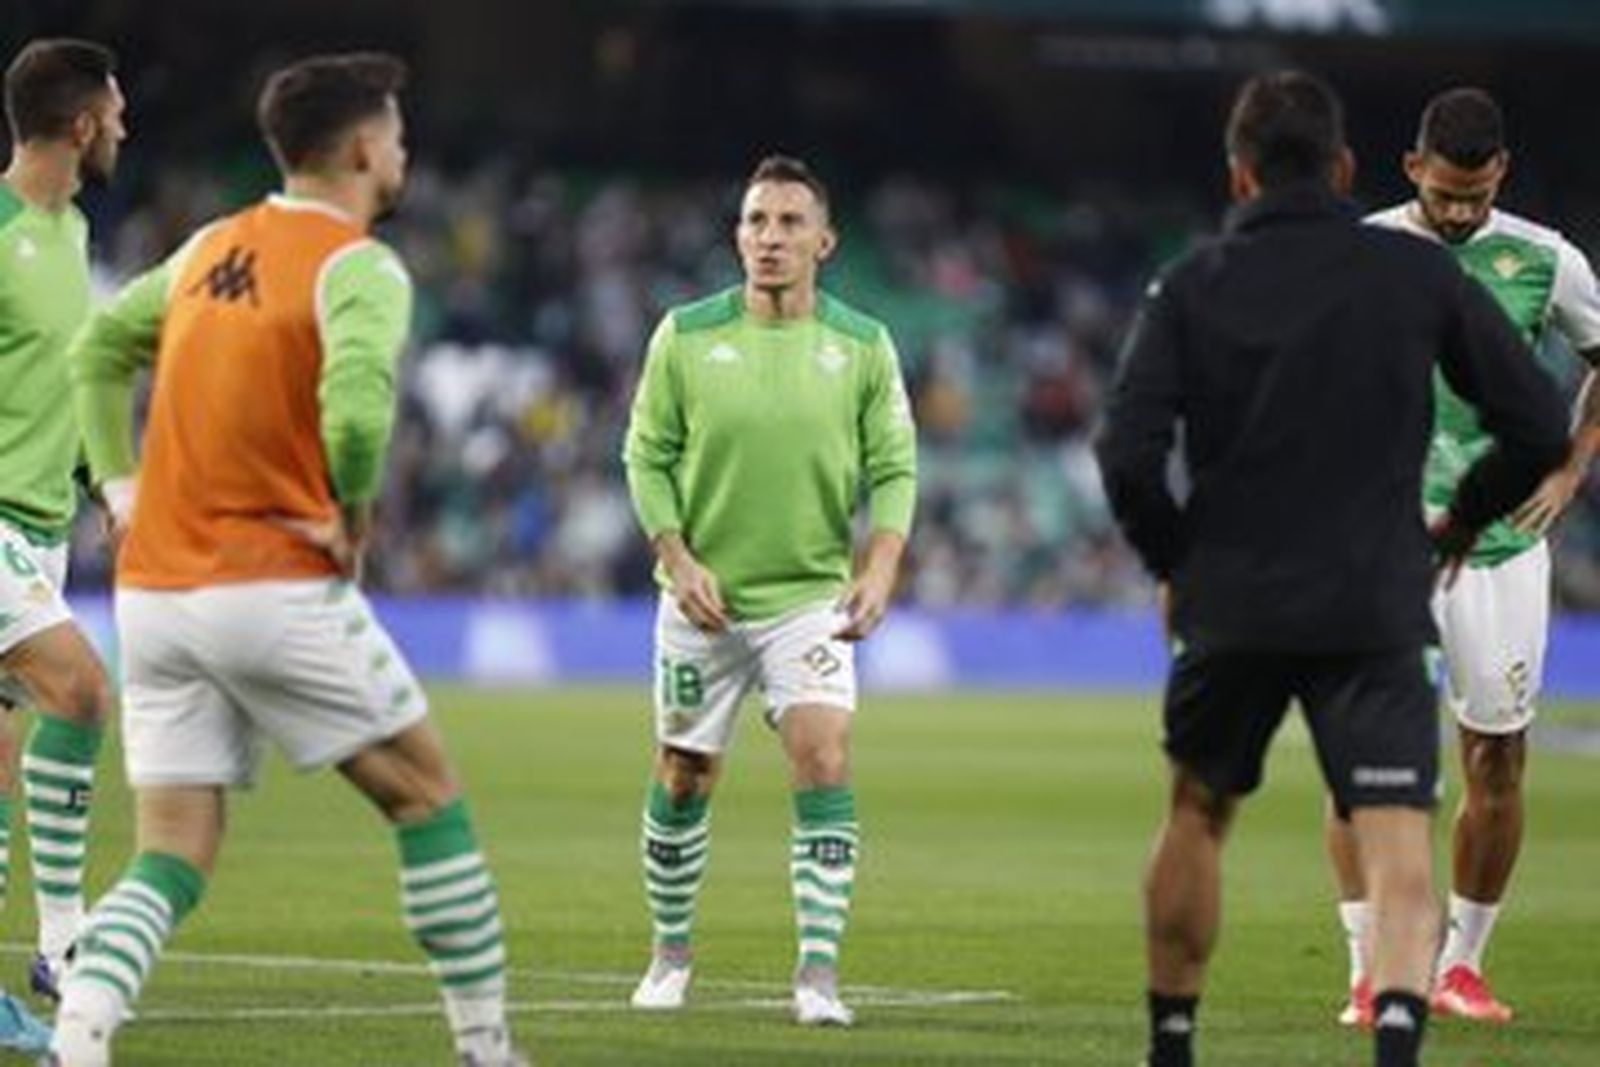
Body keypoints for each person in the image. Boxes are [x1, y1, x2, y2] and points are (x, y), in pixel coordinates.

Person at [50, 53, 527, 1067]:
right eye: (395, 137)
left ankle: (79, 1038)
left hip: (154, 595)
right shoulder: (357, 264)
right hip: (266, 578)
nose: (402, 154)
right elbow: (356, 409)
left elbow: (96, 348)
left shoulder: (209, 246)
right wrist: (352, 514)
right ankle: (486, 1049)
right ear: (362, 148)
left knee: (171, 847)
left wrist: (121, 485)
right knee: (425, 795)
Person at [1096, 71, 1569, 1067]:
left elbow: (1126, 454)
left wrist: (1173, 557)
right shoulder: (1414, 276)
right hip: (1373, 583)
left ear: (1237, 176)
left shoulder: (1188, 284)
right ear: (1351, 167)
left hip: (1236, 589)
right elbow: (1532, 422)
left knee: (1195, 811)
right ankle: (1396, 1038)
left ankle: (1171, 1041)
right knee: (1398, 817)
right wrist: (1459, 525)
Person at [1325, 86, 1600, 1028]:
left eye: (1475, 196)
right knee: (1361, 760)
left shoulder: (1545, 259)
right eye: (1445, 194)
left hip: (1502, 545)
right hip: (1383, 536)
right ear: (1413, 170)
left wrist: (1571, 469)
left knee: (1497, 758)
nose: (1458, 212)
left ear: (1500, 177)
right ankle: (1367, 972)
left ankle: (1460, 966)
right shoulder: (1361, 250)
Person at [621, 154, 916, 1027]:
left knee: (824, 755)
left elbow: (896, 465)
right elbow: (645, 455)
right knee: (682, 776)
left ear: (825, 241)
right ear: (737, 236)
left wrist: (881, 565)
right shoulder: (684, 334)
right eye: (756, 221)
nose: (770, 237)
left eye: (790, 223)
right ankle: (670, 952)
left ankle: (818, 974)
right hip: (701, 601)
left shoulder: (863, 344)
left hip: (808, 601)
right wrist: (677, 557)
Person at [0, 38, 127, 1049]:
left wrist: (103, 486)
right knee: (82, 689)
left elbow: (60, 384)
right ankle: (68, 940)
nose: (126, 127)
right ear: (81, 122)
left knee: (1, 756)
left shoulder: (74, 229)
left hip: (42, 532)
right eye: (116, 112)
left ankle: (46, 951)